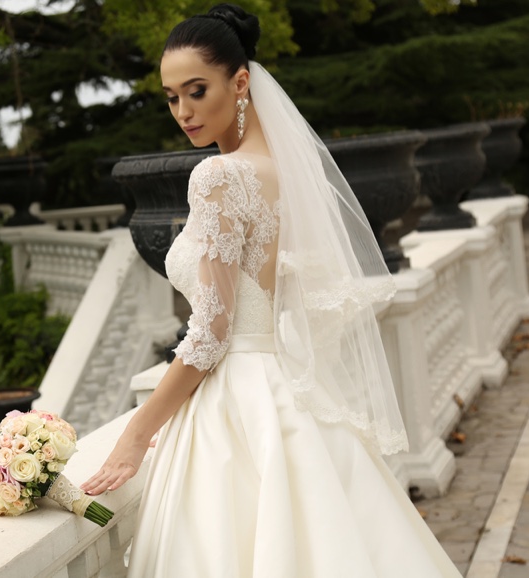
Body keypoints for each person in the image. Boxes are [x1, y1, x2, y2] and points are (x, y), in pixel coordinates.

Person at [80, 4, 462, 576]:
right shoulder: (283, 168)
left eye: (196, 90)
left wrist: (136, 435)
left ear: (240, 82)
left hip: (236, 397)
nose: (183, 111)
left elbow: (210, 335)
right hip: (287, 389)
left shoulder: (217, 177)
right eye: (170, 96)